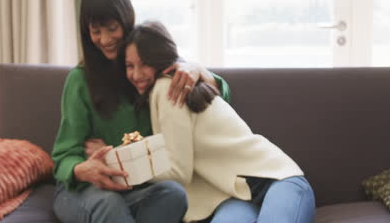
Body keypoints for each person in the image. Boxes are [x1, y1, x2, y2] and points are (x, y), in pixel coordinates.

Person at [51, 0, 230, 223]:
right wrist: (82, 168)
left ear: (127, 20)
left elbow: (219, 97)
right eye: (96, 31)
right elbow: (64, 155)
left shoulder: (149, 65)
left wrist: (197, 69)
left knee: (174, 194)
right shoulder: (79, 80)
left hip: (134, 189)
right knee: (108, 203)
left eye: (112, 28)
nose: (104, 39)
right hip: (83, 190)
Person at [117, 21, 316, 223]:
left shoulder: (169, 88)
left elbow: (178, 172)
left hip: (280, 182)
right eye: (129, 66)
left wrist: (127, 169)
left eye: (144, 64)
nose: (136, 74)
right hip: (236, 198)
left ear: (159, 60)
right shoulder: (169, 86)